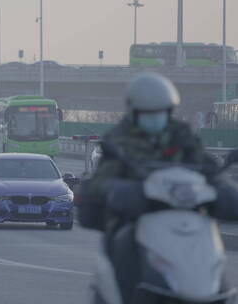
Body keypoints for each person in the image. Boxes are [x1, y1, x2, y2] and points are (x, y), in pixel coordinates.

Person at [76, 72, 238, 303]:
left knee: (213, 255)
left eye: (160, 112)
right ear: (134, 112)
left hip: (186, 217)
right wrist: (116, 191)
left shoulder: (183, 138)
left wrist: (223, 191)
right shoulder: (118, 142)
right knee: (122, 244)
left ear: (169, 111)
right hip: (137, 221)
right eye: (148, 113)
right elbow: (101, 182)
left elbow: (208, 170)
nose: (155, 118)